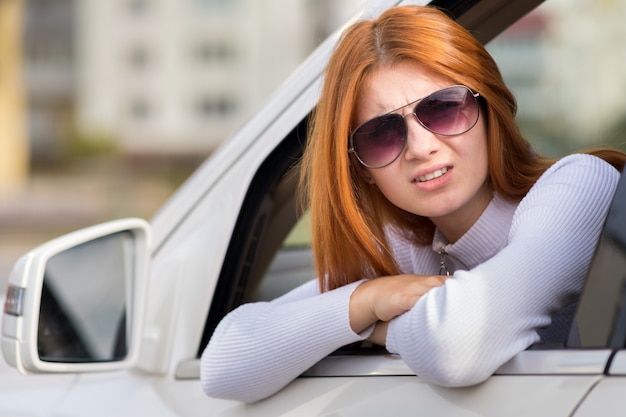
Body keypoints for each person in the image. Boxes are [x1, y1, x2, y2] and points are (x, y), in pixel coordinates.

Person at [200, 5, 626, 403]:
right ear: (361, 166)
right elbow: (224, 364)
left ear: (488, 108)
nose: (421, 148)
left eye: (444, 109)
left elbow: (458, 345)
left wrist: (376, 328)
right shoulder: (409, 247)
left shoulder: (578, 186)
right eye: (382, 134)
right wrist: (367, 298)